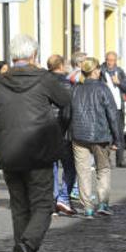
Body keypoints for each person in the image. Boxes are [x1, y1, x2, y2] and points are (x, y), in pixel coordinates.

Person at [0, 34, 72, 252]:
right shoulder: (44, 79)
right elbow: (66, 100)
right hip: (39, 151)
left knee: (20, 207)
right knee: (42, 205)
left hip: (10, 153)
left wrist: (3, 130)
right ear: (33, 56)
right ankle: (28, 246)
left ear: (12, 57)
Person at [71, 57, 121, 218]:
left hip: (79, 135)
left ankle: (88, 208)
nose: (100, 70)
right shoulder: (103, 88)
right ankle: (103, 204)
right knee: (103, 169)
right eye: (98, 68)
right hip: (100, 135)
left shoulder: (76, 89)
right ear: (95, 71)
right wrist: (117, 138)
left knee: (83, 172)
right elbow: (112, 114)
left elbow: (67, 113)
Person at [47, 54, 77, 217]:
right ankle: (63, 197)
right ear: (61, 66)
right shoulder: (67, 84)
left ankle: (53, 199)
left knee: (51, 167)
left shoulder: (42, 83)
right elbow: (67, 111)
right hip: (63, 131)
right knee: (70, 167)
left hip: (45, 130)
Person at [101, 51, 126, 168]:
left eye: (112, 60)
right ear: (105, 60)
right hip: (105, 108)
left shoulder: (120, 72)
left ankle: (120, 159)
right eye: (108, 60)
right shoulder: (100, 72)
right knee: (107, 134)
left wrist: (119, 83)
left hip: (119, 108)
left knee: (119, 134)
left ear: (116, 61)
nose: (110, 63)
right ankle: (107, 159)